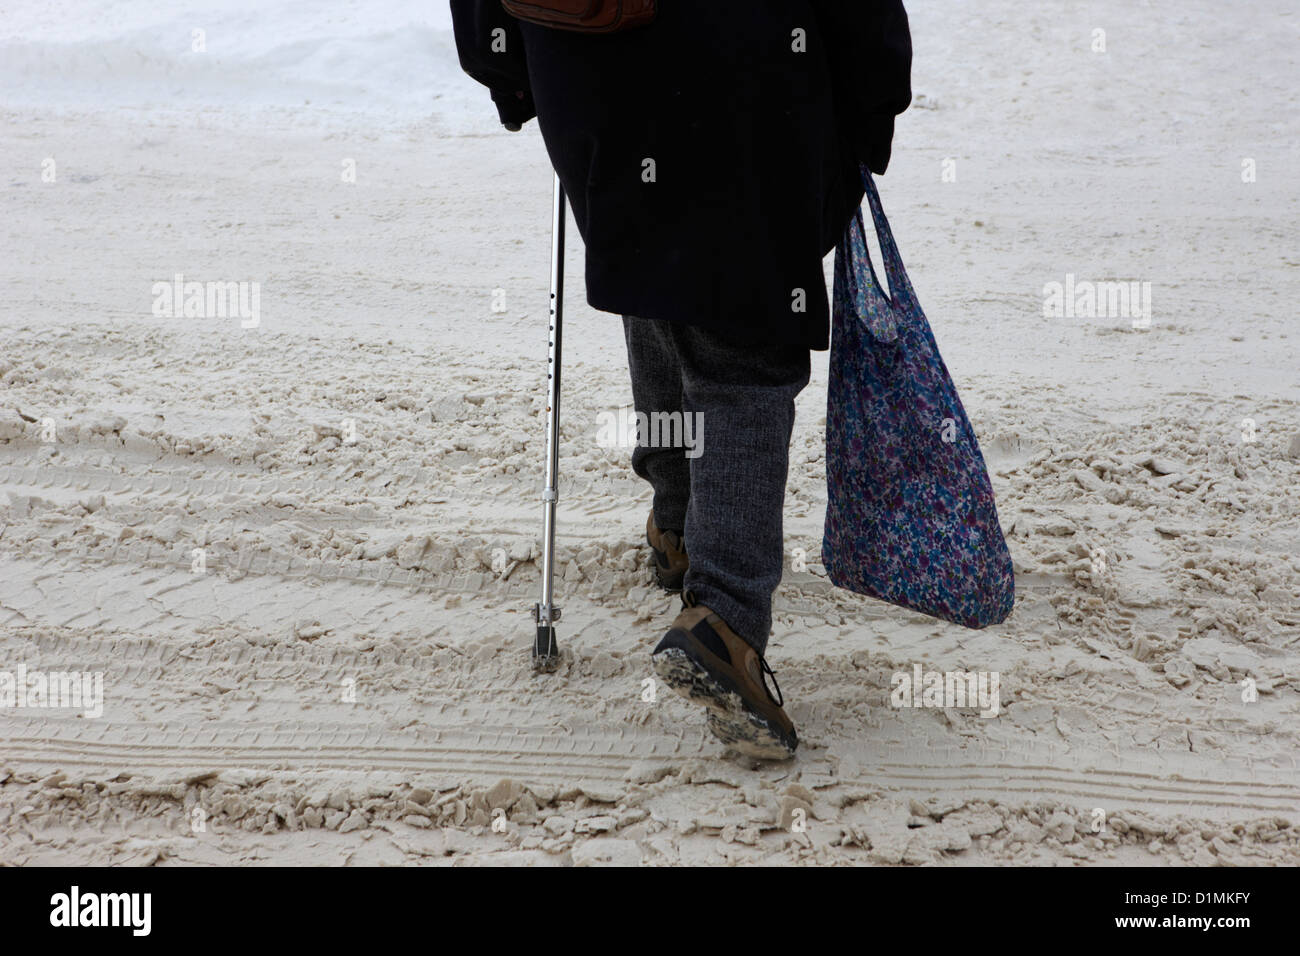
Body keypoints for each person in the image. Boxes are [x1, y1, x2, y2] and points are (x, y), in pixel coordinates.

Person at [451, 0, 912, 759]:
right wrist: (872, 98)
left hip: (583, 67)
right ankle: (723, 619)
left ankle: (677, 524)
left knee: (659, 271)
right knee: (744, 342)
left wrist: (512, 72)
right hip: (746, 74)